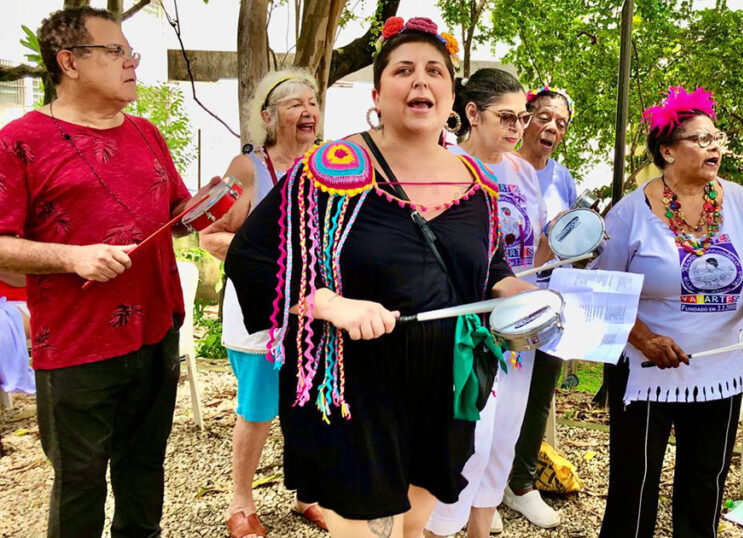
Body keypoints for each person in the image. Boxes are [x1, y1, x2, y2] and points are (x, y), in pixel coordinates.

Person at [225, 16, 534, 538]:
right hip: (352, 383)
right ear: (378, 91)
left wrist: (514, 291)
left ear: (452, 93)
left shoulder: (478, 181)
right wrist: (326, 304)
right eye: (404, 69)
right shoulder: (330, 167)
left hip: (446, 380)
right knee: (363, 528)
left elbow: (488, 265)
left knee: (415, 523)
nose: (421, 81)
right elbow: (251, 257)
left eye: (435, 70)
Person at [0, 7, 215, 537]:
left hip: (156, 335)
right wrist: (72, 257)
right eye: (116, 51)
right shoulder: (18, 140)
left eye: (130, 52)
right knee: (79, 483)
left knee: (144, 475)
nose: (131, 62)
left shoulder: (147, 132)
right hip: (76, 345)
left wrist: (214, 206)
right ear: (69, 62)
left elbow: (176, 222)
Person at [592, 86, 743, 538]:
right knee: (634, 486)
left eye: (717, 137)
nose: (714, 146)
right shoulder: (629, 213)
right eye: (700, 139)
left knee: (706, 480)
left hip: (721, 364)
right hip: (647, 366)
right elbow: (602, 291)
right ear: (668, 150)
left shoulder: (735, 198)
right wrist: (643, 339)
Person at [198, 68, 327, 538]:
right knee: (258, 408)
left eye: (312, 102)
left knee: (311, 400)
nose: (308, 111)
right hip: (262, 310)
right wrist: (275, 267)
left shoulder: (326, 165)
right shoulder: (248, 166)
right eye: (295, 104)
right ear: (270, 118)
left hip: (314, 309)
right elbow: (211, 236)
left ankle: (308, 494)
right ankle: (241, 503)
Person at [425, 68, 547, 538]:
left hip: (517, 325)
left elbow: (532, 244)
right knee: (467, 445)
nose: (518, 127)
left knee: (502, 443)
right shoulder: (444, 165)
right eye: (507, 116)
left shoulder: (523, 171)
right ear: (472, 114)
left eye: (523, 117)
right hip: (469, 330)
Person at [502, 85, 578, 529]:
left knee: (538, 393)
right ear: (524, 117)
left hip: (548, 302)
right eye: (545, 116)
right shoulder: (497, 168)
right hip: (496, 299)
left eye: (561, 123)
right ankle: (480, 489)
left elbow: (565, 240)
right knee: (490, 392)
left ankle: (521, 484)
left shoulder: (562, 178)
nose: (552, 127)